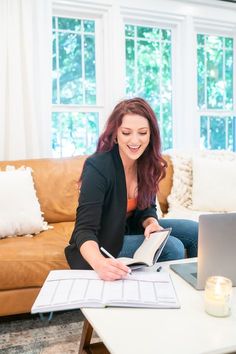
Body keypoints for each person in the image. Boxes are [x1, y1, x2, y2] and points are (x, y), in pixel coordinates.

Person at [65, 97, 198, 280]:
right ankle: (161, 296)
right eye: (126, 132)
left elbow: (147, 209)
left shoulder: (147, 162)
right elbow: (84, 230)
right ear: (115, 135)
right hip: (103, 241)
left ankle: (196, 288)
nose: (135, 140)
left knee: (196, 231)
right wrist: (99, 263)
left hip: (131, 229)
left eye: (142, 132)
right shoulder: (98, 167)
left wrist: (151, 223)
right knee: (172, 246)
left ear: (151, 134)